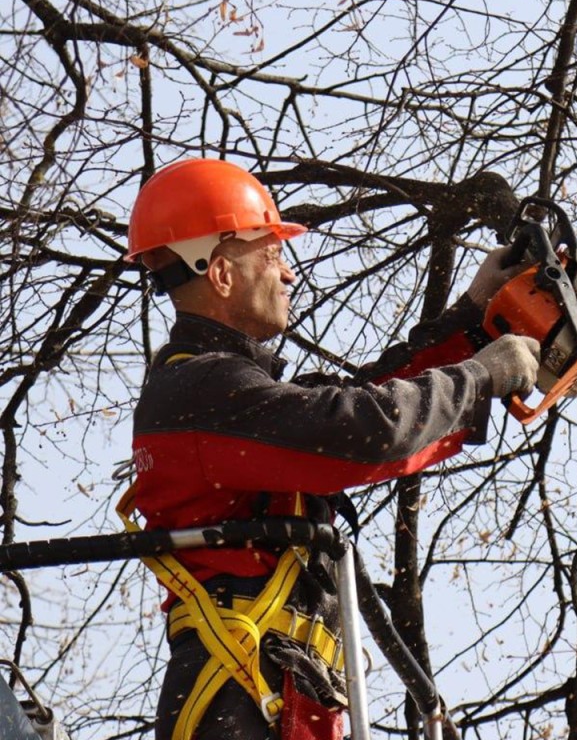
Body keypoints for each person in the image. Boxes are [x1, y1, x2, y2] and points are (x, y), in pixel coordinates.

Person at [119, 158, 540, 740]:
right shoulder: (200, 391)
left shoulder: (231, 398)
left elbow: (365, 402)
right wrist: (479, 377)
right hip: (236, 701)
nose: (289, 275)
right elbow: (359, 432)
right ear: (219, 273)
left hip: (275, 690)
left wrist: (476, 317)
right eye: (272, 254)